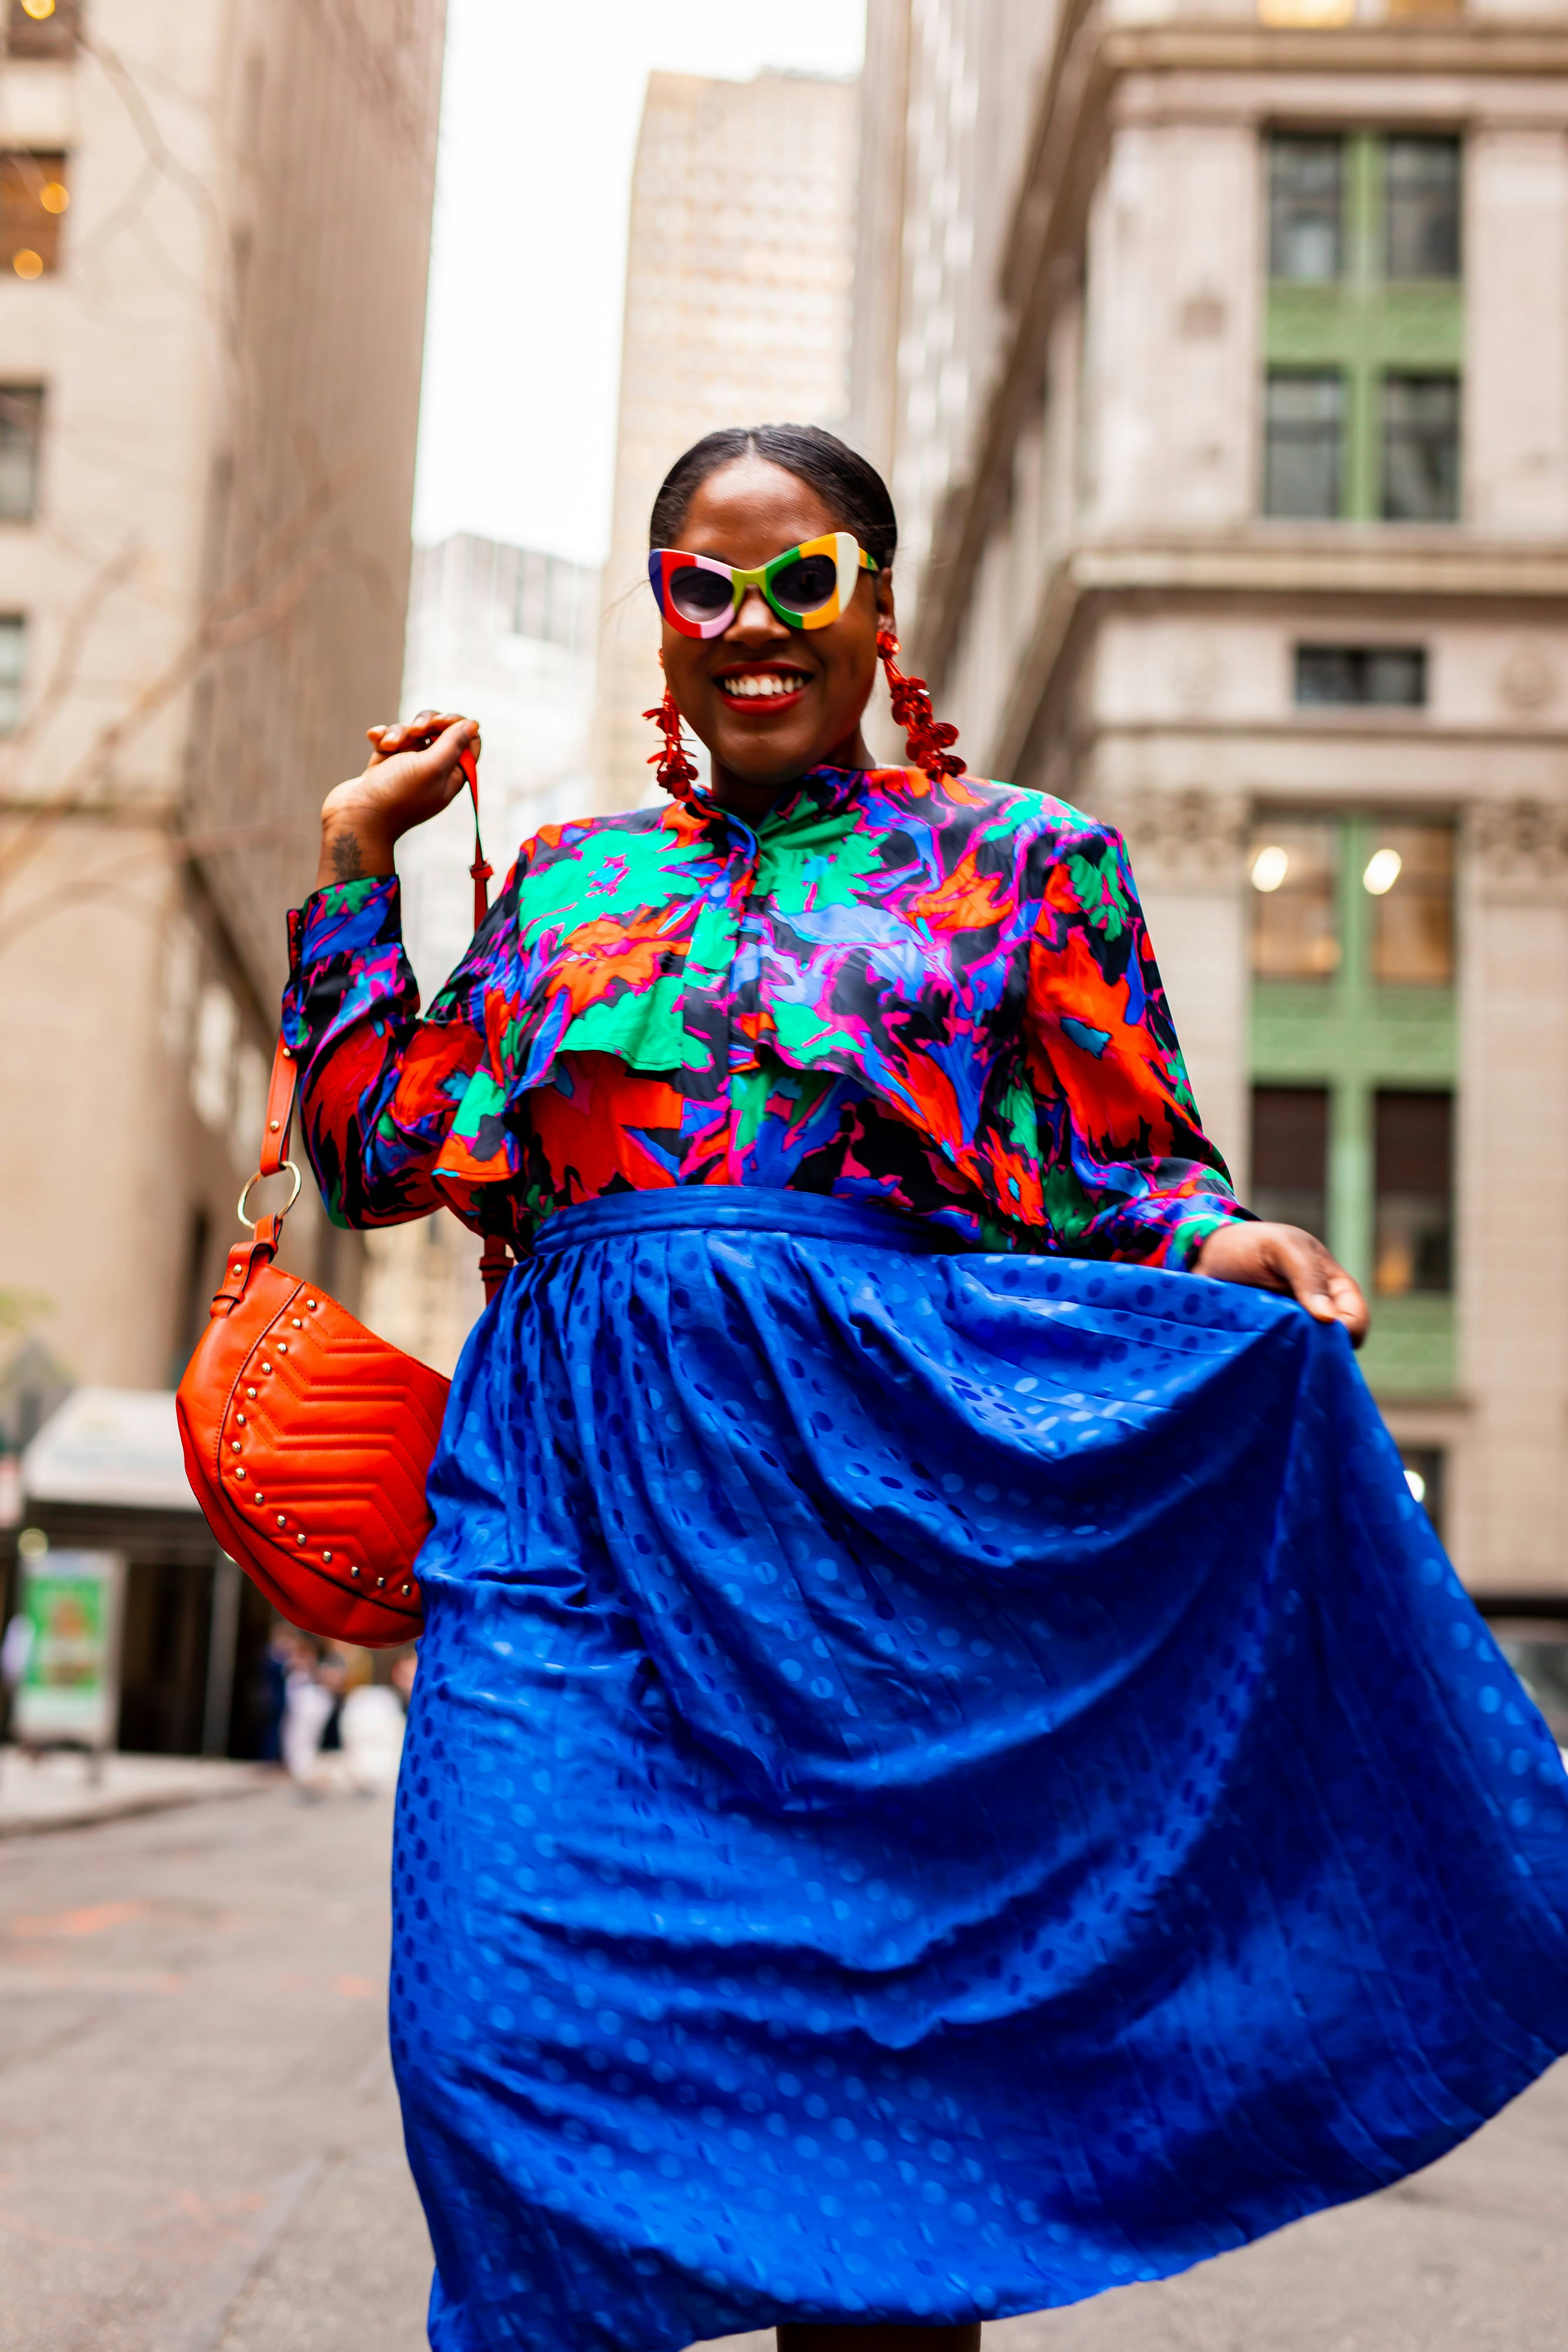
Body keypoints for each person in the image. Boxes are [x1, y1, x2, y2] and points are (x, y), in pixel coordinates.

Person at [282, 425, 1568, 2352]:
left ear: (877, 607)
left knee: (877, 2097)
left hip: (872, 1530)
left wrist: (1219, 1250)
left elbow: (1121, 1168)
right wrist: (353, 868)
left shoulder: (1027, 865)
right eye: (701, 588)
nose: (749, 626)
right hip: (566, 1520)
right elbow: (381, 1148)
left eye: (798, 580)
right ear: (660, 625)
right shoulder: (564, 877)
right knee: (487, 2030)